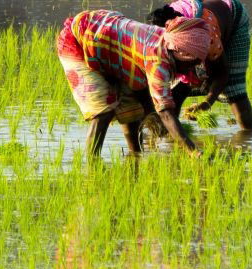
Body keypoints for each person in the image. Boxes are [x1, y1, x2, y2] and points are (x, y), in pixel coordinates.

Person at [56, 9, 216, 159]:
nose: (191, 68)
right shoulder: (157, 59)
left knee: (133, 110)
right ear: (181, 53)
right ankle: (92, 163)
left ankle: (136, 156)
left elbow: (150, 100)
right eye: (191, 63)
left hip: (109, 44)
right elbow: (165, 112)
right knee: (103, 110)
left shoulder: (170, 40)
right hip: (79, 38)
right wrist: (193, 151)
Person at [148, 0, 252, 132]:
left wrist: (207, 102)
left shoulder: (209, 38)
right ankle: (167, 134)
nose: (193, 68)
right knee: (174, 89)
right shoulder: (159, 39)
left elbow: (221, 74)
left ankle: (248, 135)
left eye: (195, 63)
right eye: (188, 64)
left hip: (232, 17)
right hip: (195, 7)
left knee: (234, 89)